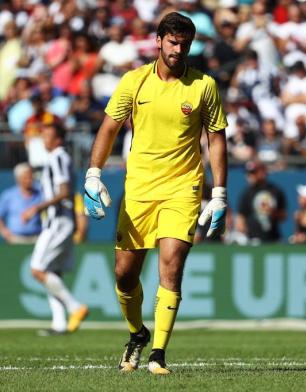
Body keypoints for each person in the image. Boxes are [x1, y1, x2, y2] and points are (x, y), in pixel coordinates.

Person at [83, 12, 228, 375]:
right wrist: (93, 174)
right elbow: (109, 127)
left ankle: (158, 354)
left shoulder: (203, 86)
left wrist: (220, 193)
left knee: (171, 265)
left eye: (185, 43)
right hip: (139, 189)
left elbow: (217, 137)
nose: (179, 49)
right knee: (124, 275)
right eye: (173, 42)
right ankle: (137, 333)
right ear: (159, 41)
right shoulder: (134, 82)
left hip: (183, 187)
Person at [22, 123, 89, 336]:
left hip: (58, 220)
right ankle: (59, 323)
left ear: (59, 139)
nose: (45, 140)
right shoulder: (57, 158)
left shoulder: (59, 157)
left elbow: (64, 191)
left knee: (37, 269)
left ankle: (75, 307)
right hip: (60, 220)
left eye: (49, 136)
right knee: (52, 272)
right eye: (44, 136)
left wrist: (36, 208)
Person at [235, 159, 286, 244]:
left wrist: (272, 212)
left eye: (253, 172)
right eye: (249, 173)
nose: (250, 176)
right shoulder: (247, 193)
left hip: (273, 238)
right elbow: (241, 218)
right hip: (253, 239)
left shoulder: (275, 191)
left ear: (263, 172)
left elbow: (283, 216)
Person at [0, 162, 42, 244]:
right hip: (15, 239)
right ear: (18, 179)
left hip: (37, 238)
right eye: (26, 177)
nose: (29, 180)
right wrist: (4, 232)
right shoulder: (8, 195)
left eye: (31, 177)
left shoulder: (40, 193)